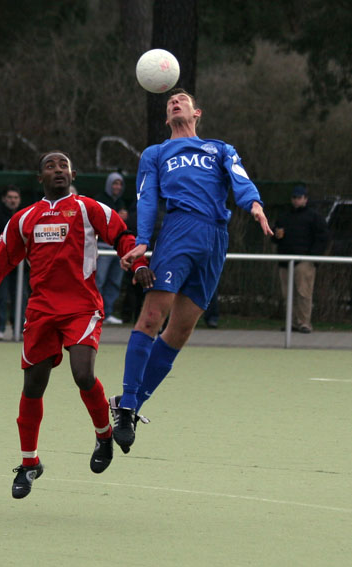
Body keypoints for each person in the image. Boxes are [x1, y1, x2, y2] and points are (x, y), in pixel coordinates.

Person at [0, 151, 151, 499]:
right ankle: (29, 463)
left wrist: (137, 263)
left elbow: (123, 236)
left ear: (73, 174)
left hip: (81, 308)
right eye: (50, 166)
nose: (58, 170)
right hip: (41, 312)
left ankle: (104, 435)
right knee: (33, 387)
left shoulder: (89, 208)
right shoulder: (24, 218)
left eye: (63, 165)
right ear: (41, 178)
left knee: (83, 374)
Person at [110, 88, 273, 452]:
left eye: (182, 99)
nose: (174, 101)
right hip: (180, 230)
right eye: (171, 102)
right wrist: (142, 241)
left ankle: (131, 404)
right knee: (152, 317)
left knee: (181, 331)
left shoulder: (218, 148)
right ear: (167, 117)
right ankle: (128, 405)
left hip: (215, 238)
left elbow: (239, 177)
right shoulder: (156, 154)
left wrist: (254, 203)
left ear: (196, 113)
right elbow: (147, 198)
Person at [272, 184, 329, 333]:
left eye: (299, 197)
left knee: (303, 293)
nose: (296, 200)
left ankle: (304, 323)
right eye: (294, 197)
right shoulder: (284, 217)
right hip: (285, 261)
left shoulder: (314, 217)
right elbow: (275, 235)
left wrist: (312, 257)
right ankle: (291, 323)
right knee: (287, 295)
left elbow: (323, 238)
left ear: (305, 199)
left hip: (304, 261)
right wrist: (276, 235)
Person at [0, 185, 28, 340]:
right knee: (0, 297)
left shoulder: (25, 215)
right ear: (4, 199)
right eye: (10, 197)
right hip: (2, 264)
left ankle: (19, 329)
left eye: (16, 198)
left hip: (20, 266)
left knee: (21, 297)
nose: (13, 200)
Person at [94, 172, 129, 324]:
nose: (117, 187)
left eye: (120, 184)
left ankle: (107, 314)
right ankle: (94, 312)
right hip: (103, 248)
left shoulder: (121, 202)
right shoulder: (100, 200)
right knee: (99, 281)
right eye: (115, 183)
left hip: (117, 249)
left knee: (114, 282)